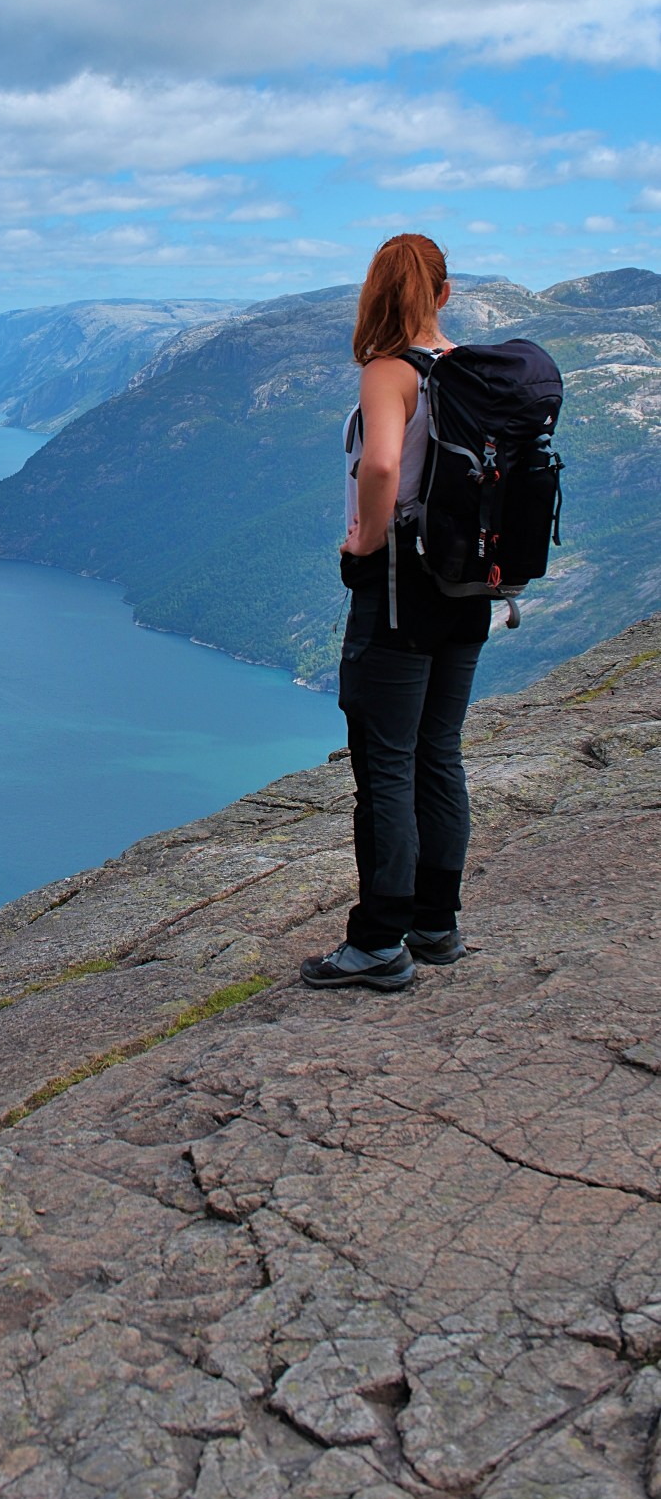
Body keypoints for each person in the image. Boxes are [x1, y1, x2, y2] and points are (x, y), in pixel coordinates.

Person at [301, 233, 491, 993]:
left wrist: (363, 547)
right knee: (438, 752)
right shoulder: (473, 371)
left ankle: (379, 940)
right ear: (444, 294)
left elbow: (380, 463)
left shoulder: (389, 370)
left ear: (374, 293)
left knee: (385, 766)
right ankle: (435, 924)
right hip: (469, 586)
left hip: (398, 591)